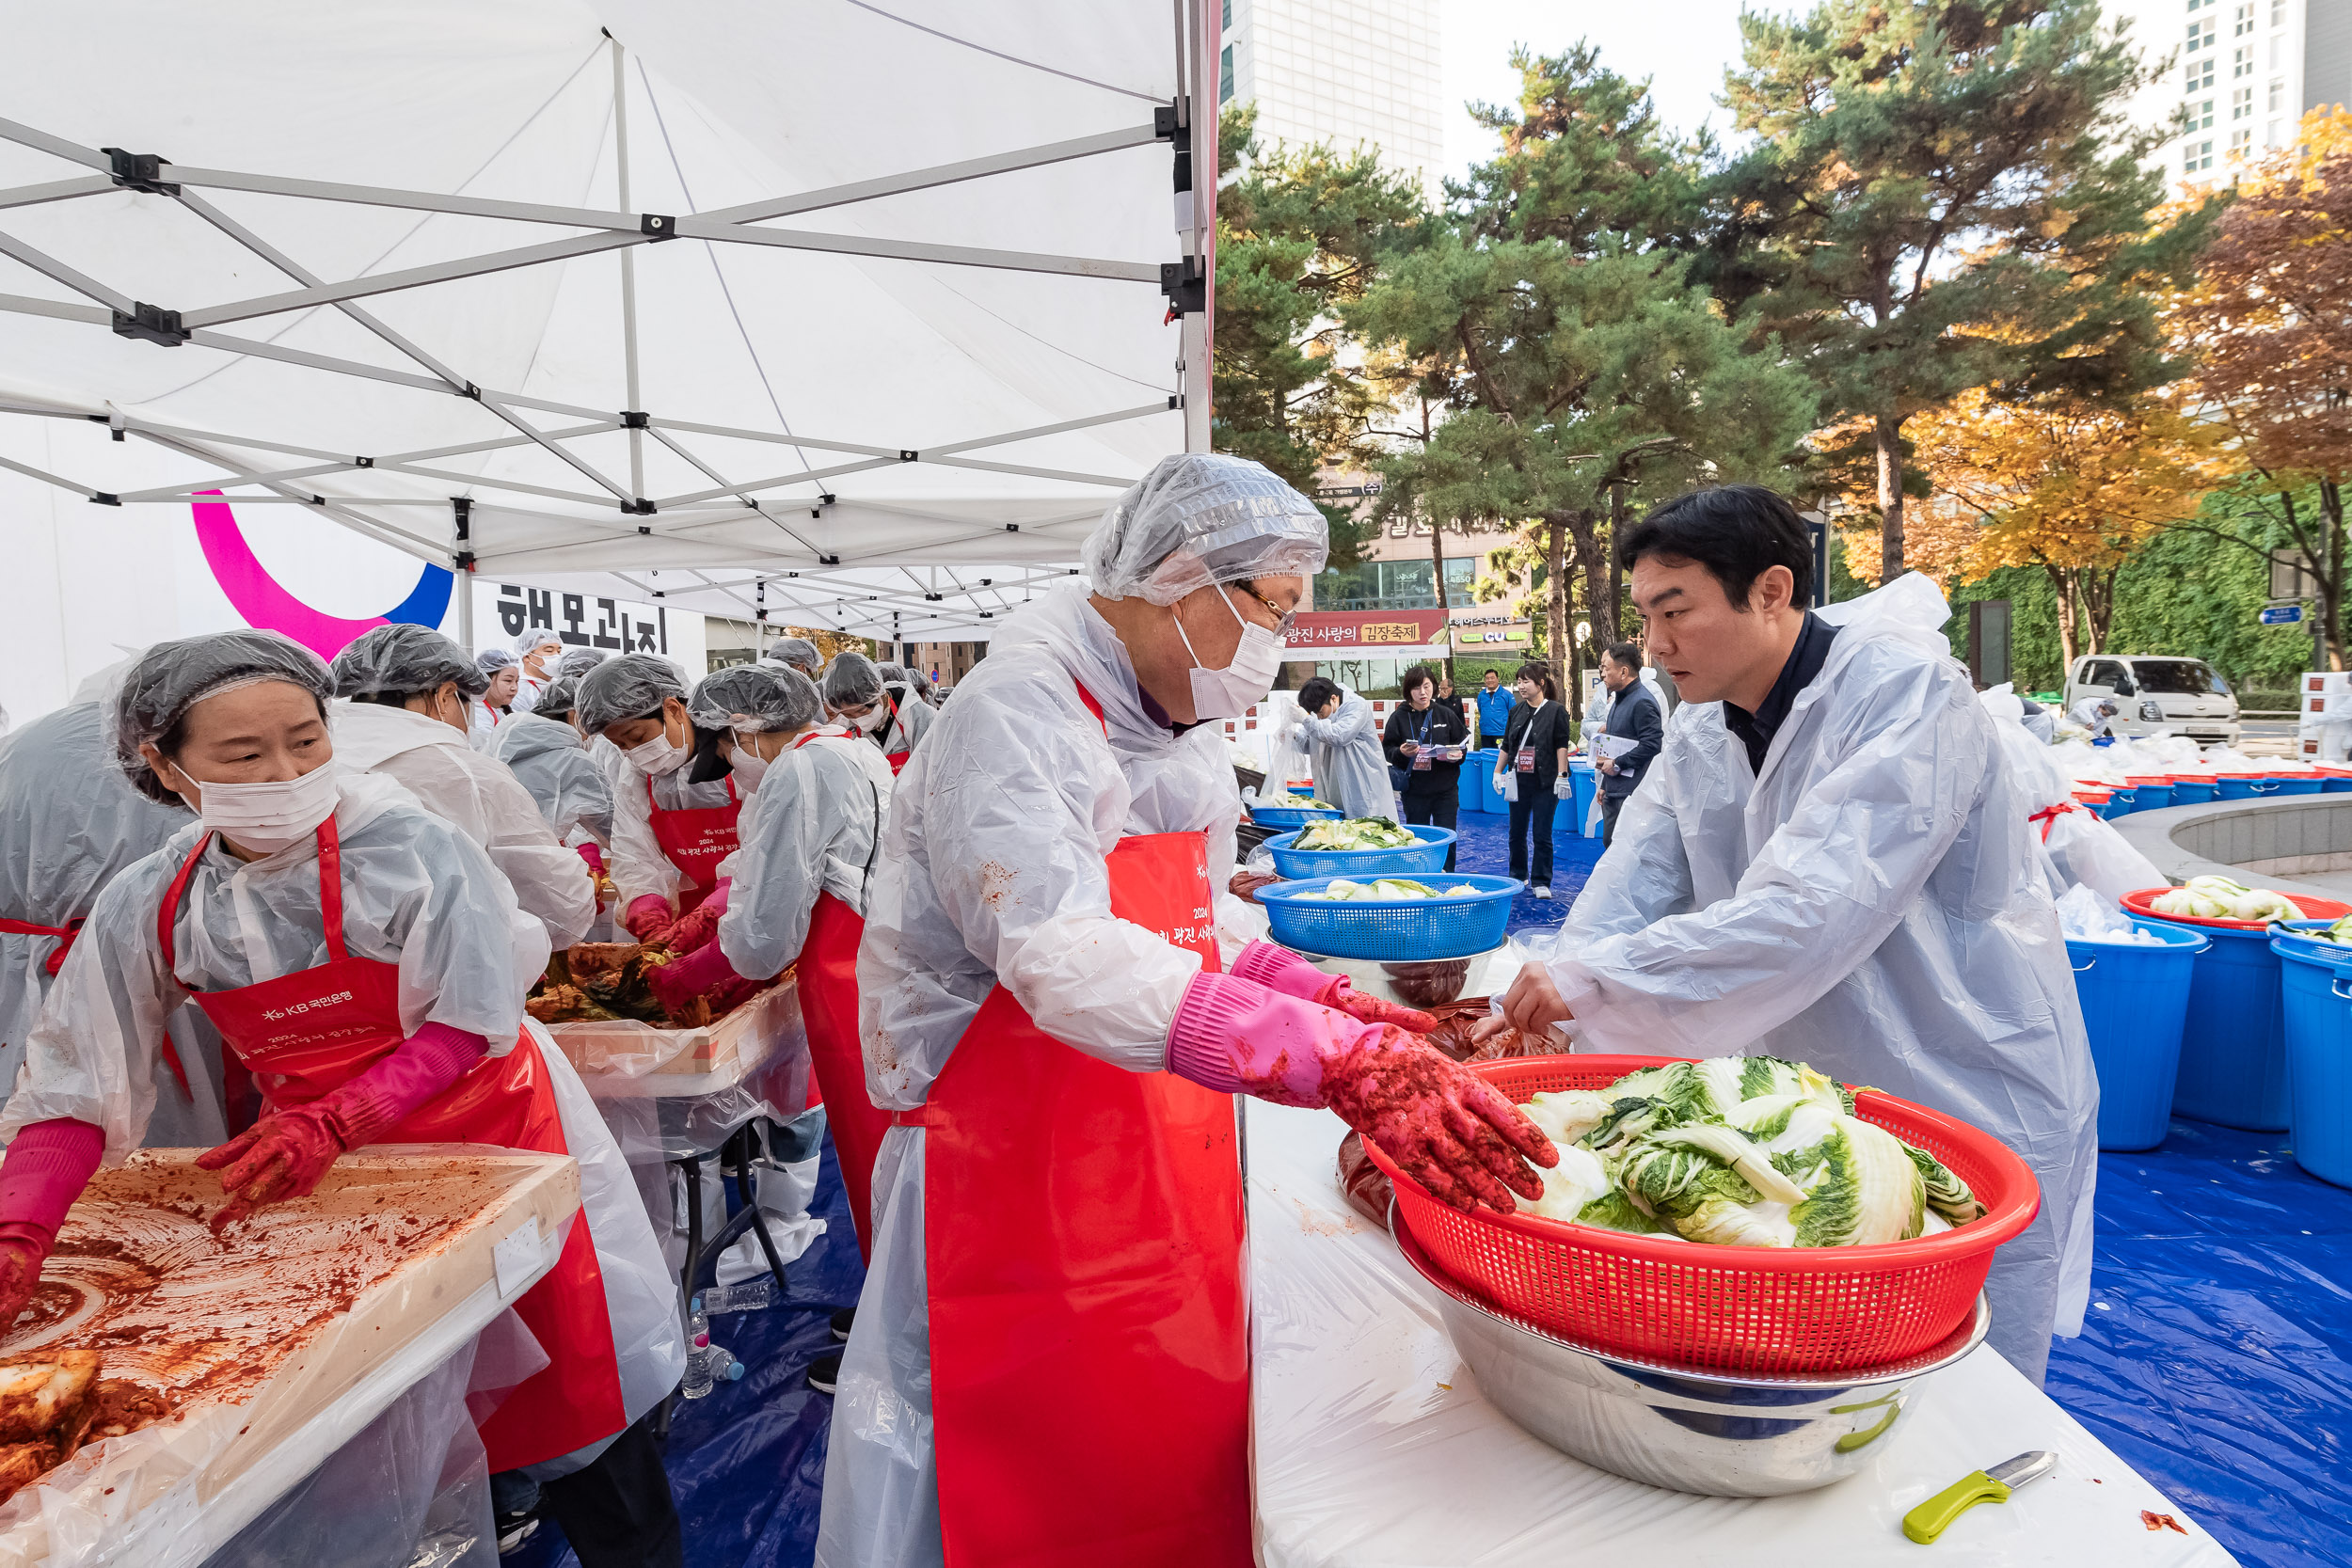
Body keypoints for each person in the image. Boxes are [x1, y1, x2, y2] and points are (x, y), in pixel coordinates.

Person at [818, 453, 1552, 1568]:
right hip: (1008, 1167)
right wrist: (1331, 1059)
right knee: (1020, 1470)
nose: (1277, 646)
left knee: (1158, 1441)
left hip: (1157, 1148)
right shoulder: (1017, 709)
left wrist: (1342, 1003)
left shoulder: (1176, 721)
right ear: (1183, 578)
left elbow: (1198, 928)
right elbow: (1060, 953)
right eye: (1273, 609)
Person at [0, 630, 686, 1565]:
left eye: (306, 739)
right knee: (390, 1404)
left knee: (575, 1416)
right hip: (328, 1183)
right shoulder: (158, 897)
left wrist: (341, 1114)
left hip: (493, 1141)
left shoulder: (408, 845)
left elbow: (469, 1016)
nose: (284, 769)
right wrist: (22, 1231)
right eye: (243, 755)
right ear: (162, 764)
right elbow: (77, 1075)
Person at [1478, 484, 2098, 1386]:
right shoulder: (1699, 729)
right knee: (1816, 1333)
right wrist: (1564, 985)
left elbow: (1817, 905)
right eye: (1646, 615)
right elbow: (1634, 883)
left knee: (1956, 1360)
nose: (1654, 644)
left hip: (1963, 1060)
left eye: (1675, 610)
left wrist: (1603, 984)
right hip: (1805, 1076)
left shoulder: (1908, 698)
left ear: (1771, 590)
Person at [640, 666, 896, 1272]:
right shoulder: (850, 748)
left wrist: (697, 971)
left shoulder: (798, 770)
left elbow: (764, 933)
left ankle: (900, 1332)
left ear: (744, 726)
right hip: (874, 960)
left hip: (843, 971)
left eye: (725, 747)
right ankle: (897, 1302)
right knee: (889, 1148)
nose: (730, 763)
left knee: (872, 1148)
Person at [0, 696, 223, 1146]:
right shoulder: (186, 753)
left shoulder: (21, 749)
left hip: (20, 975)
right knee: (174, 1145)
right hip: (167, 976)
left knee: (38, 1119)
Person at [329, 626, 595, 950]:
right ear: (443, 697)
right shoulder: (472, 776)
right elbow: (559, 909)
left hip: (322, 983)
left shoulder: (314, 764)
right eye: (464, 702)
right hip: (456, 975)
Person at [577, 657, 751, 944]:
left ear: (673, 709)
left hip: (754, 905)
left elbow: (763, 846)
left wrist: (720, 905)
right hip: (690, 911)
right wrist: (647, 909)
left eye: (637, 736)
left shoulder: (742, 754)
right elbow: (634, 852)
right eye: (621, 745)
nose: (633, 752)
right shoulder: (636, 773)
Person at [485, 675, 614, 847]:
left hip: (486, 858)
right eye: (592, 723)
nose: (592, 733)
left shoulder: (497, 742)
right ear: (574, 714)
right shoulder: (575, 761)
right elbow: (615, 833)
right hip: (541, 864)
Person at [1382, 664, 1470, 869]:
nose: (1423, 692)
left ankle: (1447, 875)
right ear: (1408, 691)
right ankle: (1421, 875)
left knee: (1447, 836)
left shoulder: (1445, 714)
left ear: (1434, 687)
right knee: (1417, 838)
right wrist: (1401, 753)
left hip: (1445, 790)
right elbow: (1387, 749)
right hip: (1414, 790)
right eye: (1416, 688)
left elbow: (1462, 744)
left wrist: (1457, 755)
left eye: (1427, 686)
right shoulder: (1399, 717)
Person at [1495, 661, 1571, 897]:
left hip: (1546, 781)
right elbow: (1507, 745)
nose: (1521, 686)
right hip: (1519, 780)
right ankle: (1518, 875)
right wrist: (1497, 772)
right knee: (1516, 832)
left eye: (1526, 681)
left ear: (1540, 683)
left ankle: (1541, 881)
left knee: (1542, 832)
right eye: (1519, 681)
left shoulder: (1556, 710)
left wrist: (1562, 775)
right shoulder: (1515, 711)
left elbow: (1561, 745)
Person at [1592, 641, 1664, 847]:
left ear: (1623, 672)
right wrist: (1605, 785)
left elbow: (1652, 744)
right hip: (1615, 790)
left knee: (1625, 852)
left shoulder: (1642, 701)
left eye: (1606, 668)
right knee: (1611, 845)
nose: (1602, 673)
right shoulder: (1619, 701)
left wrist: (1618, 763)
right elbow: (1614, 745)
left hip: (1632, 794)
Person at [1295, 675, 1391, 818]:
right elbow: (1311, 744)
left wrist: (1306, 720)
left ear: (1334, 698)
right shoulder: (1320, 708)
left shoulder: (1356, 706)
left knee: (1367, 827)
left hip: (1361, 784)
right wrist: (1293, 737)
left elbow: (1339, 736)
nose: (1320, 718)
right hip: (1334, 785)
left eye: (1321, 712)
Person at [822, 652, 932, 771]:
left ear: (880, 696)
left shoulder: (916, 715)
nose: (858, 719)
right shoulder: (846, 727)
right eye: (848, 714)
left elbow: (931, 766)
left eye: (862, 711)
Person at [510, 628, 566, 715]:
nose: (556, 656)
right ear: (527, 657)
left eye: (559, 651)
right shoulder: (519, 691)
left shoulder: (562, 685)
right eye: (549, 651)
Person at [472, 647, 521, 739]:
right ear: (486, 679)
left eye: (517, 681)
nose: (514, 688)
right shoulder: (477, 714)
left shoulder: (510, 712)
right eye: (508, 680)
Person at [1474, 667, 1514, 750]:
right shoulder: (1481, 695)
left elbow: (1513, 712)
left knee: (1500, 757)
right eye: (1487, 678)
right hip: (1485, 733)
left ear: (1497, 679)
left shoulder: (1506, 695)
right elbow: (1481, 710)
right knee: (1487, 756)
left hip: (1501, 733)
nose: (1490, 680)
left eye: (1492, 678)